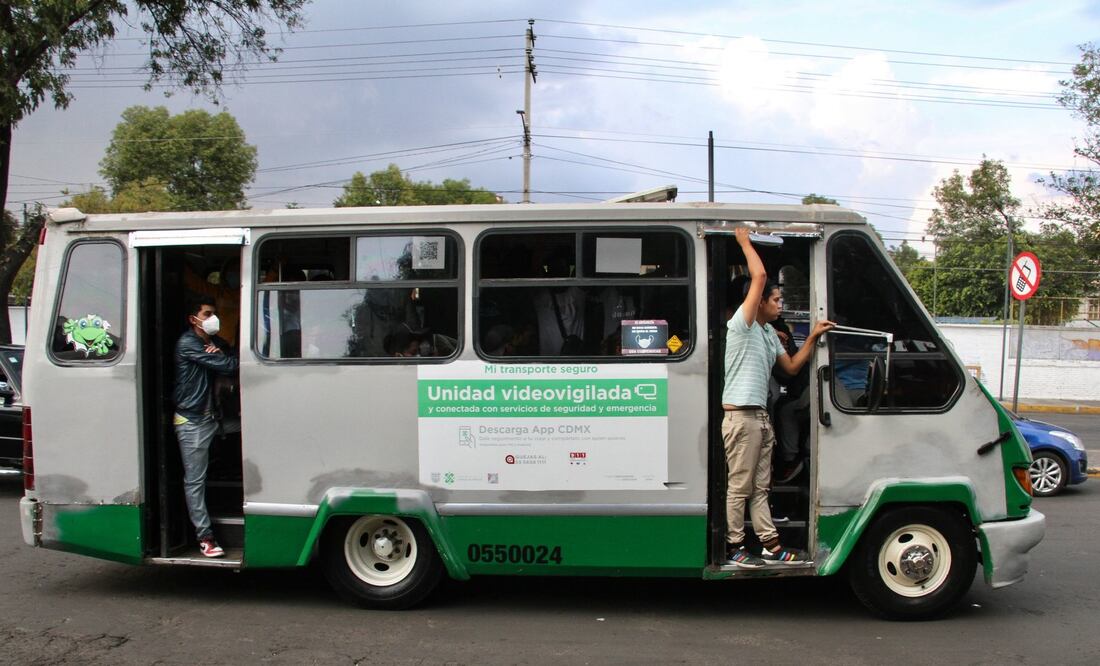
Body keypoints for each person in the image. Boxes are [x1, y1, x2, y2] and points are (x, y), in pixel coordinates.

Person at [722, 228, 834, 568]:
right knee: (740, 486)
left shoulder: (769, 333)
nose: (780, 304)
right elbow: (758, 275)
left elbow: (790, 367)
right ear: (757, 303)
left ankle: (770, 544)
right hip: (741, 417)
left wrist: (812, 336)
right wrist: (744, 241)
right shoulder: (742, 324)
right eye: (775, 299)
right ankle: (734, 546)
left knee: (760, 486)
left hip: (759, 417)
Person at [173, 300, 241, 558]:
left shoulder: (216, 342)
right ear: (194, 319)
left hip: (216, 418)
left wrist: (221, 354)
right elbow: (230, 366)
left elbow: (234, 356)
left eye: (215, 313)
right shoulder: (188, 343)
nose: (214, 318)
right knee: (194, 481)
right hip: (193, 421)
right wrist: (221, 358)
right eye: (208, 314)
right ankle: (205, 538)